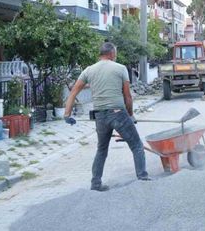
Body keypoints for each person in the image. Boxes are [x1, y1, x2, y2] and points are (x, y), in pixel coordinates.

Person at [64, 42, 150, 191]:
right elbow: (128, 96)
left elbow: (73, 92)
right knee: (136, 145)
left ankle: (95, 183)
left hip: (100, 116)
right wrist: (130, 115)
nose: (115, 56)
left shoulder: (88, 70)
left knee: (101, 149)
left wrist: (67, 114)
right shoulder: (120, 68)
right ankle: (142, 177)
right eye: (115, 54)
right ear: (111, 54)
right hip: (118, 113)